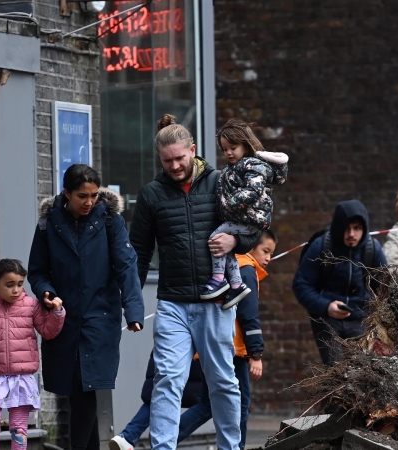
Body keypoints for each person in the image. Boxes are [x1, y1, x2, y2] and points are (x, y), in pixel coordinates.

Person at [129, 114, 251, 450]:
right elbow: (138, 252)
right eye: (167, 161)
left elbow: (251, 227)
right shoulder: (151, 195)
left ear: (193, 150)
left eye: (180, 158)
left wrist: (235, 243)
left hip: (216, 302)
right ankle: (163, 447)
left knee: (223, 382)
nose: (175, 166)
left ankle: (230, 447)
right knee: (167, 379)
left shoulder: (220, 182)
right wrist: (132, 302)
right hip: (173, 304)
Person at [28, 164, 144, 450]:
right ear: (67, 193)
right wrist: (46, 292)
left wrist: (134, 311)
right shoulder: (47, 225)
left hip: (100, 317)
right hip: (63, 318)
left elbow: (126, 267)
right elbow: (38, 271)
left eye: (93, 195)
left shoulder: (110, 221)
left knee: (86, 385)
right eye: (82, 195)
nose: (89, 202)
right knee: (75, 390)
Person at [176, 230, 277, 447]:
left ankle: (165, 438)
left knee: (209, 404)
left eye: (271, 253)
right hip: (235, 350)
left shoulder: (226, 266)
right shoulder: (247, 270)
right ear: (250, 247)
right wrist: (256, 354)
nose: (268, 258)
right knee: (239, 403)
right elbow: (249, 315)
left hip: (211, 343)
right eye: (265, 251)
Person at [0, 259, 65, 450]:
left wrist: (57, 313)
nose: (16, 290)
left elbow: (48, 331)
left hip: (22, 378)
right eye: (9, 285)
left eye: (19, 284)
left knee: (18, 428)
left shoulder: (31, 305)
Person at [200, 119, 288, 310]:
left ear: (245, 145)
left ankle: (218, 278)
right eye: (224, 149)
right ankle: (236, 285)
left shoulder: (251, 165)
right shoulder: (235, 167)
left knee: (216, 237)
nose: (228, 153)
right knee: (226, 247)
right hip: (243, 218)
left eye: (232, 147)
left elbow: (253, 190)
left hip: (249, 219)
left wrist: (230, 205)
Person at [293, 200, 388, 365]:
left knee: (361, 370)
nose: (352, 234)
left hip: (361, 319)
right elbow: (301, 285)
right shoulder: (322, 246)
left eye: (357, 228)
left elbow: (385, 289)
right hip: (327, 320)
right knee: (335, 371)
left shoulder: (372, 249)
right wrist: (326, 306)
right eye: (347, 228)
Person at [108, 354, 205, 450]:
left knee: (163, 394)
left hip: (164, 348)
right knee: (210, 402)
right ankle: (163, 437)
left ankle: (128, 436)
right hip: (190, 351)